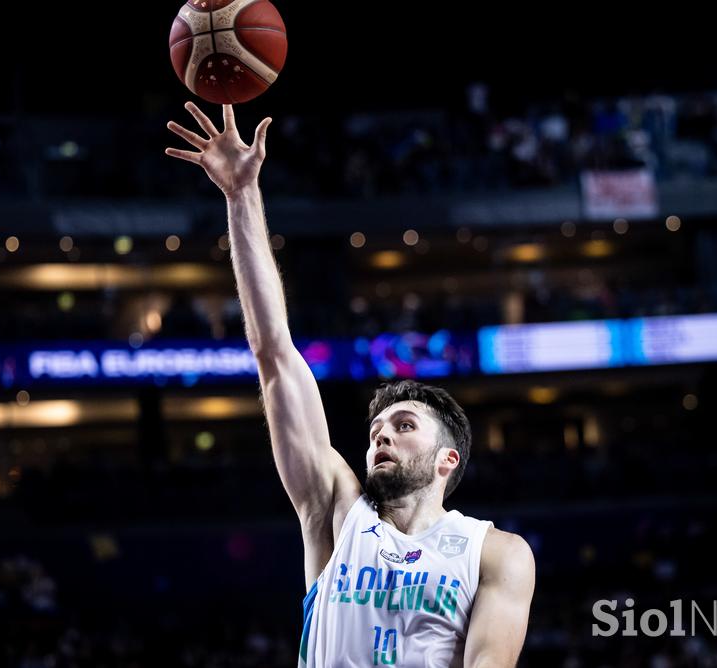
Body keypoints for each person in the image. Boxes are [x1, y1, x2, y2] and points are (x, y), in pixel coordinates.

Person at [165, 102, 534, 667]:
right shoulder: (338, 512)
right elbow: (275, 354)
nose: (380, 437)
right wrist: (241, 197)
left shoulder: (496, 553)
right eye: (377, 428)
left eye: (403, 426)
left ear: (447, 459)